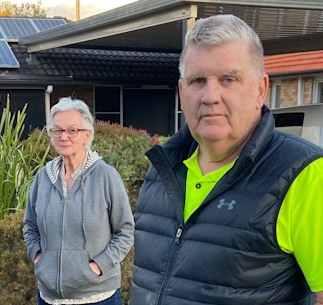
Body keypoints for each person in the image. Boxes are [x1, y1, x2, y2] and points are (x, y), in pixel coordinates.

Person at [129, 14, 323, 305]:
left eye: (228, 79)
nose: (210, 96)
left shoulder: (305, 174)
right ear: (182, 92)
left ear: (260, 89)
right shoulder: (162, 169)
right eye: (197, 80)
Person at [23, 97, 134, 305]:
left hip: (97, 297)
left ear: (87, 135)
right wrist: (38, 257)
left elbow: (125, 231)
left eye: (72, 130)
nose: (64, 136)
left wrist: (97, 266)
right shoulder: (42, 178)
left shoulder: (106, 177)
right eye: (57, 130)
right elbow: (30, 225)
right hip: (49, 297)